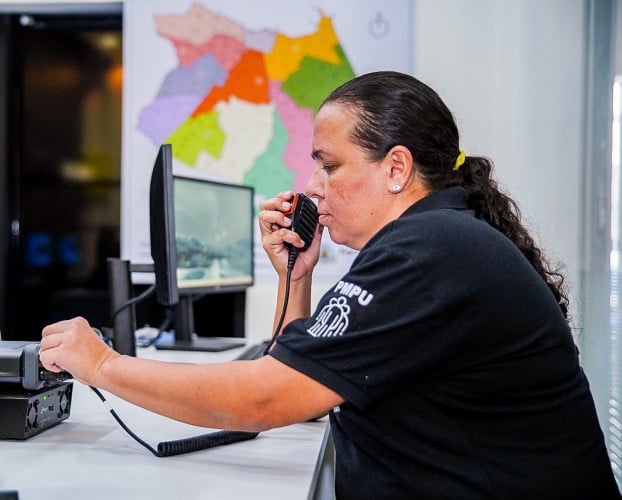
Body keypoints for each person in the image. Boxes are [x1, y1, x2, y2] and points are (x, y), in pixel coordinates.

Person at [39, 71, 621, 499]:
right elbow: (306, 389)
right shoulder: (439, 239)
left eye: (330, 165)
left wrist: (102, 365)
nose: (314, 186)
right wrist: (298, 275)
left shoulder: (427, 253)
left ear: (396, 168)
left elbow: (265, 399)